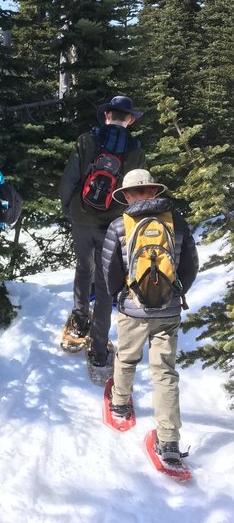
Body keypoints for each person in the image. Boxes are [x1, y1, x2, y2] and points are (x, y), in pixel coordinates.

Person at [102, 169, 199, 463]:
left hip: (132, 310)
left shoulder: (120, 225)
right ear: (154, 191)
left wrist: (122, 296)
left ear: (128, 194)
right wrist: (174, 292)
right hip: (168, 312)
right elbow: (190, 266)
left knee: (127, 357)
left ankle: (120, 405)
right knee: (165, 372)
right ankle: (168, 441)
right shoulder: (176, 223)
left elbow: (109, 272)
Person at [59, 96, 146, 364]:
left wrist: (69, 208)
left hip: (82, 219)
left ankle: (79, 323)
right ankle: (98, 349)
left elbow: (70, 179)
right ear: (130, 119)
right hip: (113, 224)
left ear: (107, 115)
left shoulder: (87, 140)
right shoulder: (135, 149)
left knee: (84, 270)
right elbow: (138, 193)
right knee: (107, 284)